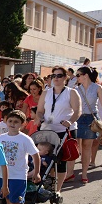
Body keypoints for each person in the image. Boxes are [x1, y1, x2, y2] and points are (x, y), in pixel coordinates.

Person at [35, 66, 81, 194]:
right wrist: (39, 118)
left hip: (64, 130)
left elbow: (78, 110)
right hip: (47, 130)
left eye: (59, 75)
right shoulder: (46, 92)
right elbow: (39, 111)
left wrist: (70, 121)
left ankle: (58, 190)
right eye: (53, 76)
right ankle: (47, 185)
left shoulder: (71, 92)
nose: (56, 78)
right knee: (45, 159)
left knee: (60, 161)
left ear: (65, 77)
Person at [0, 110, 41, 204]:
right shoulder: (1, 138)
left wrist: (36, 172)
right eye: (10, 121)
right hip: (3, 175)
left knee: (16, 200)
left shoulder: (25, 139)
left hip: (18, 175)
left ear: (22, 124)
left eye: (16, 122)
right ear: (6, 121)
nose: (12, 124)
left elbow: (36, 155)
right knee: (8, 197)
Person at [75, 66, 102, 183]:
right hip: (77, 118)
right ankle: (70, 172)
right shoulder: (76, 88)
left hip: (90, 118)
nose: (77, 77)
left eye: (78, 75)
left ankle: (84, 173)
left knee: (86, 146)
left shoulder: (97, 87)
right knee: (76, 146)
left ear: (85, 75)